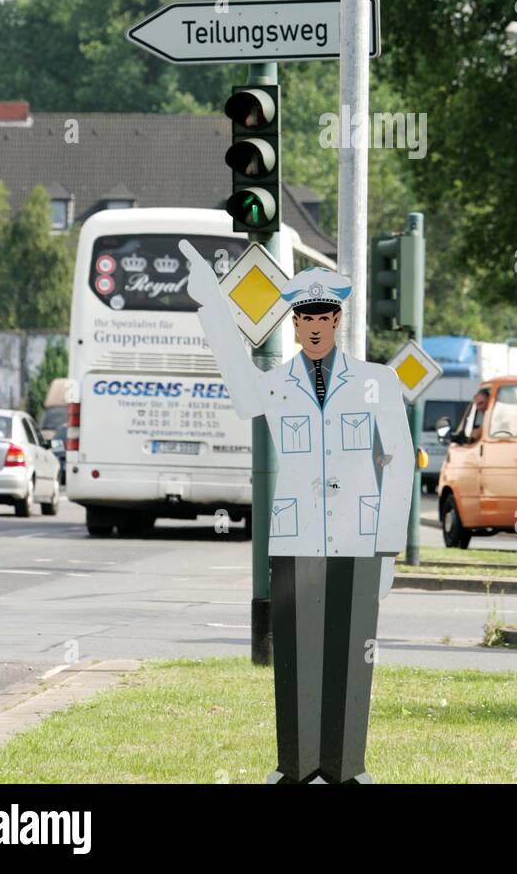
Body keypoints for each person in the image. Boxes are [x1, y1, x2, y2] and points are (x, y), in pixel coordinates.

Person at [180, 241, 414, 785]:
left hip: (358, 538)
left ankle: (344, 767)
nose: (312, 327)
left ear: (337, 319)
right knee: (296, 657)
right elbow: (239, 391)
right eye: (302, 318)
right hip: (295, 533)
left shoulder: (376, 382)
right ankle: (297, 765)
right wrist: (212, 305)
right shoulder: (278, 383)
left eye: (321, 317)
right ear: (293, 324)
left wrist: (387, 548)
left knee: (351, 655)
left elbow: (399, 463)